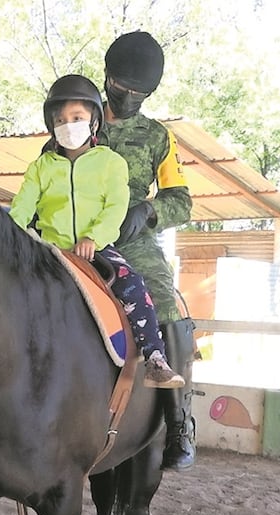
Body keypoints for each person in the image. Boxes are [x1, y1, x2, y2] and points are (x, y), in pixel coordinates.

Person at [9, 74, 185, 390]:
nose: (68, 125)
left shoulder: (113, 162)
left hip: (98, 247)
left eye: (77, 118)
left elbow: (115, 206)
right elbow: (22, 206)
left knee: (134, 286)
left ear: (93, 122)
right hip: (51, 251)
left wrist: (95, 238)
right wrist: (8, 235)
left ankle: (156, 360)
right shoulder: (42, 166)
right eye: (60, 120)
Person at [99, 31, 197, 470]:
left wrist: (149, 211)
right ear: (107, 78)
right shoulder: (79, 117)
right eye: (121, 89)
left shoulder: (158, 137)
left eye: (139, 95)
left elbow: (182, 200)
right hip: (74, 230)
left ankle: (178, 422)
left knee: (164, 299)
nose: (128, 100)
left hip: (132, 238)